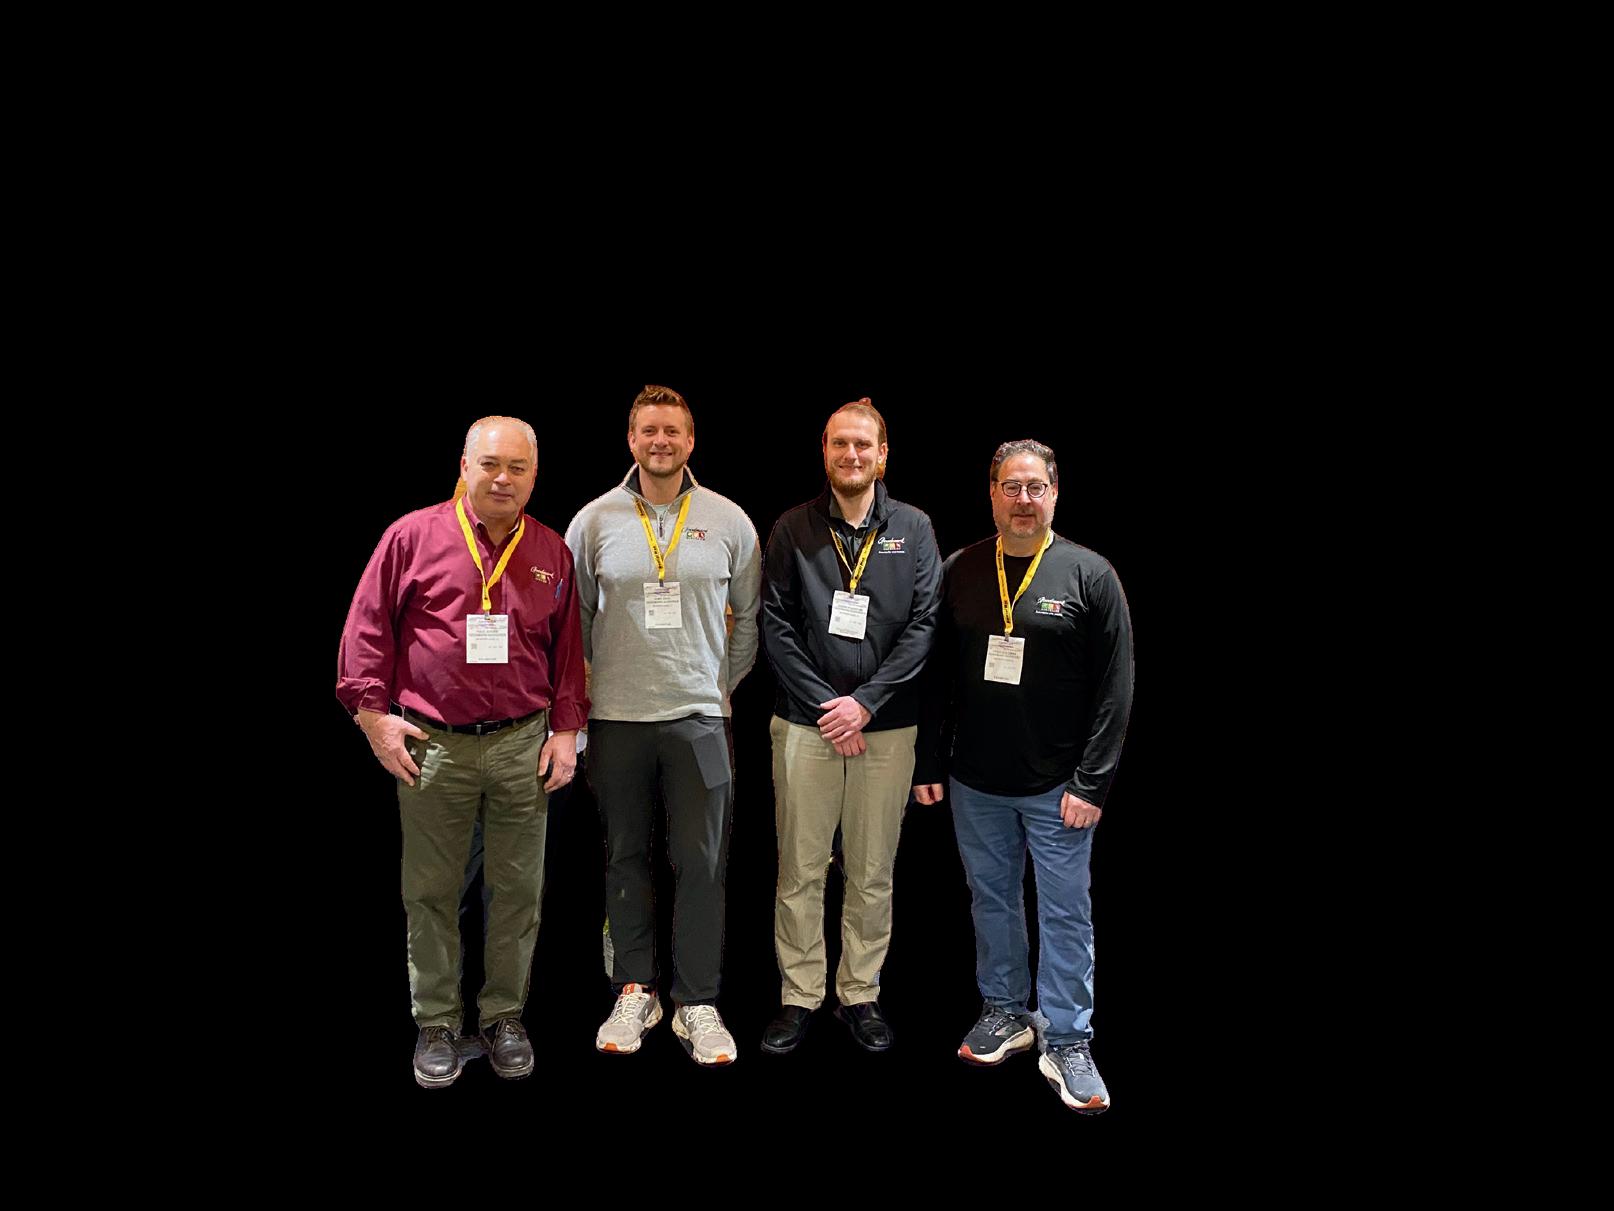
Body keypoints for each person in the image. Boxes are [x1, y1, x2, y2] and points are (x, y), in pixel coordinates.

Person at [337, 415, 588, 1089]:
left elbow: (568, 653)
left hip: (522, 746)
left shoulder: (550, 550)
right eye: (490, 464)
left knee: (518, 891)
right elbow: (366, 631)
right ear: (465, 466)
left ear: (534, 476)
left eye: (517, 467)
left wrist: (567, 730)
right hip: (433, 748)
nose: (503, 478)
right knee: (431, 891)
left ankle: (504, 1016)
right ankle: (438, 1022)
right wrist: (374, 719)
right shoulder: (411, 536)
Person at [914, 438, 1133, 1114]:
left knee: (1065, 912)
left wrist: (1091, 784)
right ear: (991, 493)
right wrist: (928, 761)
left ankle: (1067, 1038)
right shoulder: (960, 569)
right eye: (1011, 486)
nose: (1023, 499)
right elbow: (935, 676)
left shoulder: (1089, 573)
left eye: (1036, 486)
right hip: (975, 781)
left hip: (1059, 786)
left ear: (1055, 494)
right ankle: (1006, 1010)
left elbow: (1116, 687)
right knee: (993, 900)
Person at [564, 385, 761, 1066]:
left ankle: (697, 1001)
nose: (661, 441)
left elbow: (750, 618)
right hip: (616, 720)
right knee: (624, 855)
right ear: (631, 439)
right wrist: (592, 693)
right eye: (649, 430)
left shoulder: (729, 520)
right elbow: (572, 623)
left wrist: (715, 686)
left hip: (701, 722)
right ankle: (634, 989)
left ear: (691, 440)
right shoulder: (593, 521)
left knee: (701, 860)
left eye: (672, 430)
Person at [758, 398, 941, 1054]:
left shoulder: (914, 529)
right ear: (825, 451)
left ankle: (859, 991)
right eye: (840, 443)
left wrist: (864, 703)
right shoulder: (793, 527)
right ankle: (800, 994)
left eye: (863, 444)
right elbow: (775, 624)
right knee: (800, 869)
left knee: (870, 870)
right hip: (806, 726)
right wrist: (828, 707)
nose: (852, 454)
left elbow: (924, 625)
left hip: (885, 730)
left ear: (882, 455)